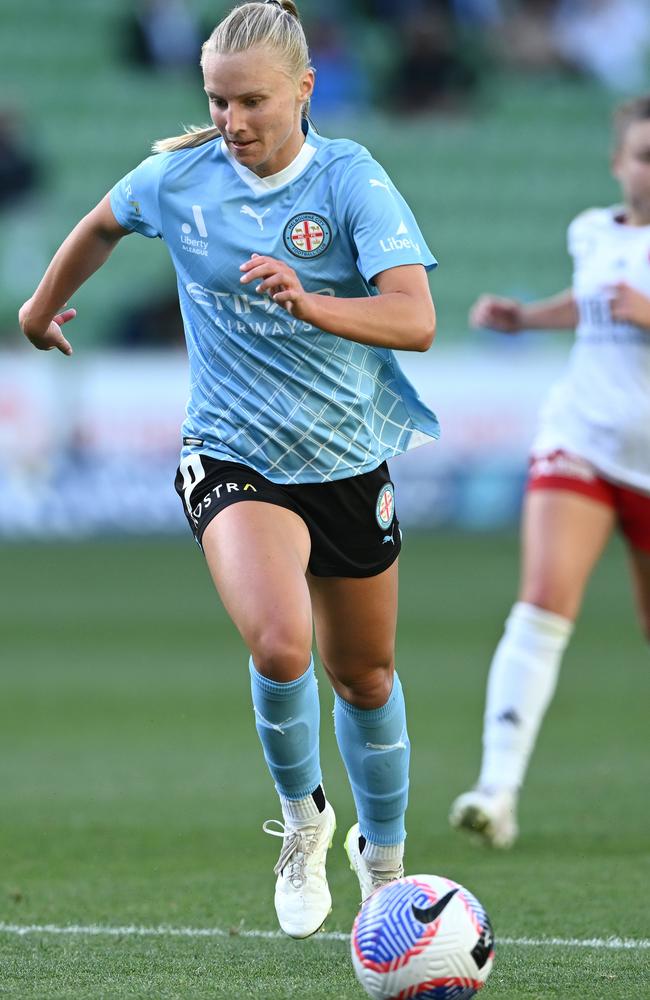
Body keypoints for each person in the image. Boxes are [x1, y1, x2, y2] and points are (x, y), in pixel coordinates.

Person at [19, 1, 439, 937]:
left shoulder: (351, 183)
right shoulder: (179, 178)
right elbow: (99, 224)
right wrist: (39, 309)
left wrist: (313, 303)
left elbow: (413, 319)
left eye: (252, 101)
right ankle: (302, 822)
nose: (233, 122)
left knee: (365, 677)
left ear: (304, 88)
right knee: (281, 645)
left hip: (344, 458)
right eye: (217, 101)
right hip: (230, 449)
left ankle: (386, 864)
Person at [449, 94, 650, 848]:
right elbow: (592, 303)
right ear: (617, 162)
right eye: (644, 155)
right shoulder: (592, 232)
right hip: (584, 441)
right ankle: (496, 791)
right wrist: (526, 317)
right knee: (541, 605)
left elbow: (630, 306)